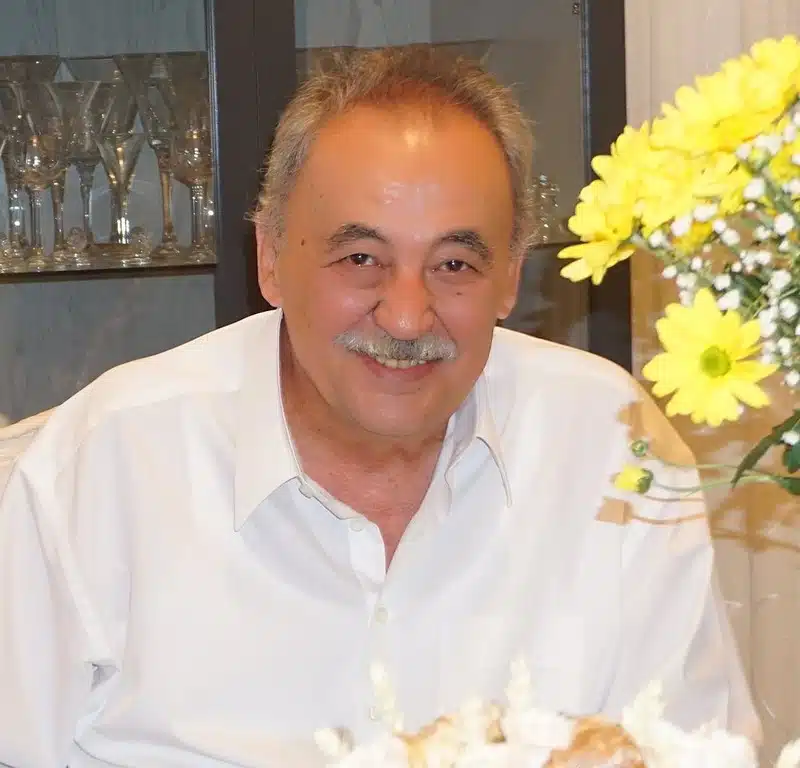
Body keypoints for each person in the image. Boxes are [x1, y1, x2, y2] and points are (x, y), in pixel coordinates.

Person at [0, 46, 757, 767]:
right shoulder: (107, 465)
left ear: (509, 278)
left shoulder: (609, 444)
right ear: (270, 258)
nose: (405, 315)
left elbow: (700, 748)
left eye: (454, 263)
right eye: (360, 258)